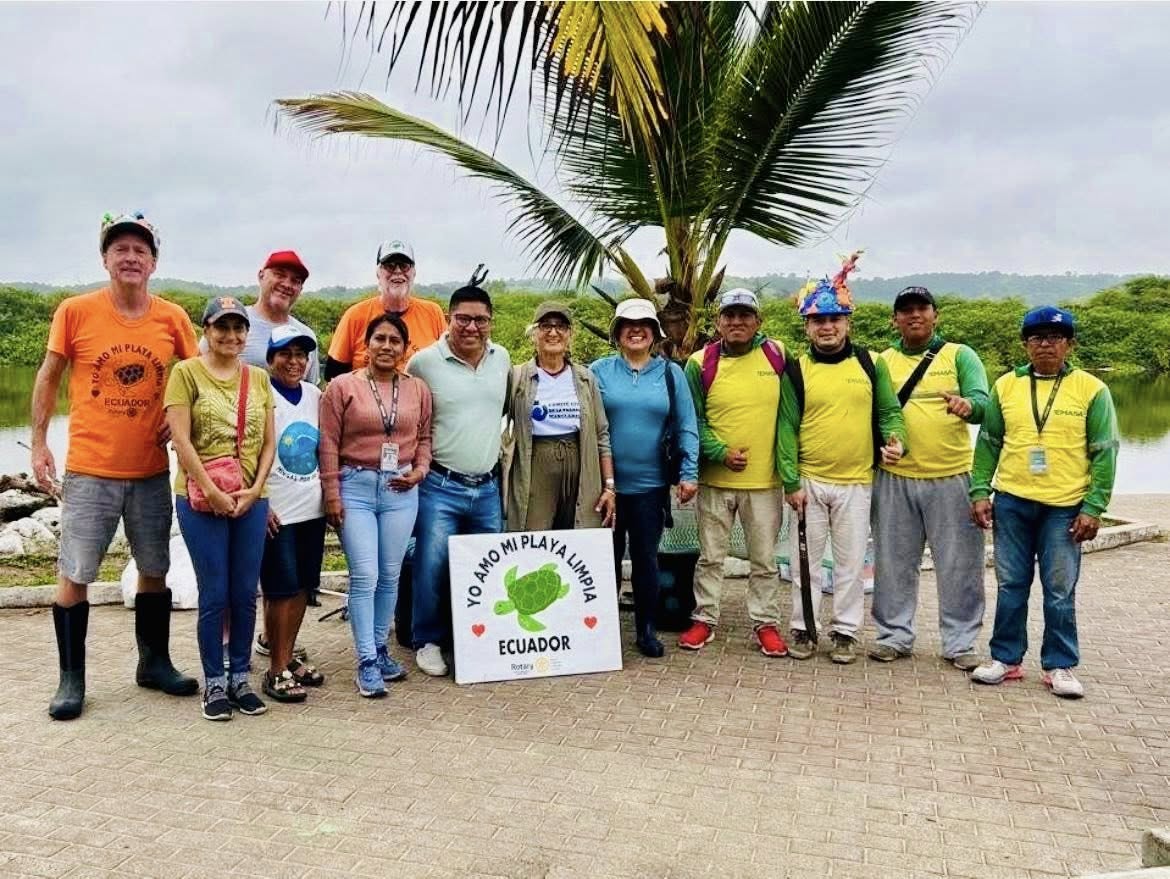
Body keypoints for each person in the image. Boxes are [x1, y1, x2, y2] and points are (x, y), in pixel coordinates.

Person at [32, 211, 200, 721]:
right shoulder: (75, 311)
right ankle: (71, 678)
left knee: (155, 569)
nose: (130, 257)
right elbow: (48, 376)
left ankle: (154, 663)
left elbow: (197, 376)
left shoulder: (172, 317)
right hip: (90, 470)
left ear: (153, 263)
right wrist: (39, 443)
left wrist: (179, 418)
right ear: (105, 259)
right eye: (120, 249)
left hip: (149, 470)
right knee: (75, 573)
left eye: (140, 250)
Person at [968, 306, 1118, 699]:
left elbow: (1105, 451)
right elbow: (989, 442)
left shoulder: (1092, 390)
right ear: (1025, 344)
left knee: (1059, 588)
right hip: (1012, 501)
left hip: (1065, 506)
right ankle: (1005, 659)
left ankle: (1059, 665)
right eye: (1036, 338)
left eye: (1054, 337)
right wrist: (980, 490)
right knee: (1011, 584)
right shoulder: (1006, 386)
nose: (1045, 344)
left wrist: (1094, 507)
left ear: (1069, 344)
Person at [779, 256, 908, 664]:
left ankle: (845, 632)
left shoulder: (871, 364)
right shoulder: (796, 370)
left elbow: (889, 412)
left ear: (848, 322)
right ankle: (804, 628)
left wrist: (897, 440)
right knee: (805, 564)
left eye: (834, 318)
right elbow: (786, 427)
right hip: (809, 481)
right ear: (807, 326)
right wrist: (790, 481)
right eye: (818, 320)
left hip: (856, 481)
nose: (827, 326)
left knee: (851, 563)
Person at [166, 296, 276, 721]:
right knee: (214, 593)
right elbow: (181, 439)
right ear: (207, 331)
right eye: (222, 327)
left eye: (238, 328)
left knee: (245, 593)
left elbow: (268, 442)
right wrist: (211, 490)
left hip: (251, 498)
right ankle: (214, 680)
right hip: (200, 498)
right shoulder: (186, 373)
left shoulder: (259, 378)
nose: (231, 336)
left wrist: (257, 489)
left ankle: (240, 677)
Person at [869, 286, 990, 670]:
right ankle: (893, 636)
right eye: (906, 310)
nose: (914, 315)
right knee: (892, 563)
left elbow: (984, 404)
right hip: (894, 478)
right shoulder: (882, 361)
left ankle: (960, 642)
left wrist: (968, 406)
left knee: (960, 565)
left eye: (922, 308)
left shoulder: (960, 355)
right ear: (895, 319)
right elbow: (875, 415)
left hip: (952, 477)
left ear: (936, 314)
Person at [319, 313, 433, 697]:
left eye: (394, 341)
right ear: (366, 344)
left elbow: (424, 437)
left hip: (401, 489)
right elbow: (328, 443)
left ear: (405, 348)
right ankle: (366, 660)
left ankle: (381, 649)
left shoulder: (417, 389)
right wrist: (332, 494)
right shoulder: (342, 387)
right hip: (356, 488)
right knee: (365, 574)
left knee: (390, 575)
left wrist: (420, 470)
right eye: (379, 339)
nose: (386, 346)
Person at [407, 285, 511, 677]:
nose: (471, 327)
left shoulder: (502, 358)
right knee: (432, 564)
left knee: (487, 565)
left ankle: (477, 638)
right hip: (440, 485)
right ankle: (427, 640)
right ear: (449, 318)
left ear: (491, 322)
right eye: (463, 319)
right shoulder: (424, 363)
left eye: (480, 320)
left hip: (487, 487)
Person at [679, 288, 789, 657]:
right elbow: (693, 419)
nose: (737, 322)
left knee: (764, 559)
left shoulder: (777, 355)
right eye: (729, 315)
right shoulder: (700, 362)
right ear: (718, 321)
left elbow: (791, 414)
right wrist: (720, 453)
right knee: (710, 557)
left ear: (758, 321)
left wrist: (791, 473)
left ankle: (766, 623)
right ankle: (704, 619)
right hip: (715, 480)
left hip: (765, 481)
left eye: (745, 315)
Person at [592, 298, 700, 658]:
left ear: (655, 333)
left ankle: (646, 630)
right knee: (603, 559)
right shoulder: (598, 371)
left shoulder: (671, 374)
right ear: (617, 332)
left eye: (644, 325)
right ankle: (600, 632)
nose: (636, 330)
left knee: (645, 560)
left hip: (650, 487)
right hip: (604, 488)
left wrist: (689, 473)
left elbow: (686, 425)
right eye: (628, 324)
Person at [258, 324, 327, 703]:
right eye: (285, 353)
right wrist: (260, 501)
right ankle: (275, 670)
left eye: (301, 354)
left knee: (302, 586)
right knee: (279, 589)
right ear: (271, 358)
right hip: (277, 511)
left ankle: (287, 656)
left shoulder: (315, 395)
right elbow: (247, 451)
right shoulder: (260, 393)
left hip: (311, 508)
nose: (294, 361)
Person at [505, 301, 615, 533]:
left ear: (570, 334)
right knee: (534, 537)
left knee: (579, 537)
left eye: (561, 326)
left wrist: (609, 486)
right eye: (546, 325)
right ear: (534, 334)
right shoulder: (517, 377)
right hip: (536, 465)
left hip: (581, 464)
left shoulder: (585, 378)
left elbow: (601, 434)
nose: (553, 332)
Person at [324, 240, 446, 378]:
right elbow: (333, 375)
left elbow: (448, 364)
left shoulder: (433, 313)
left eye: (404, 266)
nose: (398, 271)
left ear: (414, 272)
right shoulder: (354, 315)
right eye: (390, 266)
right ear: (378, 273)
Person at [200, 250, 319, 383]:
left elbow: (310, 388)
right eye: (279, 275)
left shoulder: (307, 336)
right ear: (261, 276)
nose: (287, 285)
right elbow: (198, 373)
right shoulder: (229, 321)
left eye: (295, 281)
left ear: (301, 289)